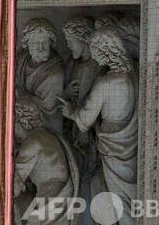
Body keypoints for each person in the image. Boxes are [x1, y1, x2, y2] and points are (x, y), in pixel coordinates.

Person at [59, 27, 138, 225]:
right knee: (118, 194)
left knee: (116, 196)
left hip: (112, 144)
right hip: (129, 142)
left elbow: (85, 120)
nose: (93, 56)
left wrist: (69, 110)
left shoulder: (106, 82)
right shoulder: (133, 75)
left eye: (95, 50)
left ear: (106, 50)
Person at [14, 91, 80, 225]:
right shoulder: (47, 135)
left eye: (12, 125)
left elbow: (13, 184)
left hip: (50, 198)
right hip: (60, 196)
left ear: (21, 120)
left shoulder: (32, 142)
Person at [16, 17, 66, 133]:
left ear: (50, 43)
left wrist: (21, 94)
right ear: (27, 44)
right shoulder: (20, 59)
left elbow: (45, 108)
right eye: (35, 43)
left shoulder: (55, 73)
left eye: (44, 43)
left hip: (40, 123)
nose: (40, 48)